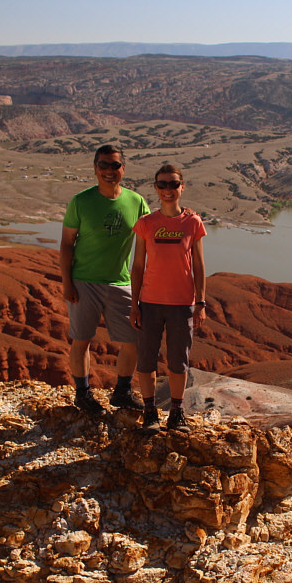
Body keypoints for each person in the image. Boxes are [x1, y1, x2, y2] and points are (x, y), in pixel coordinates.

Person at [60, 145, 150, 415]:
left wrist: (183, 214)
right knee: (82, 340)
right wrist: (67, 282)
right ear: (95, 168)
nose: (109, 171)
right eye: (104, 165)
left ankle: (122, 392)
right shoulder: (81, 201)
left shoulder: (136, 201)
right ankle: (83, 394)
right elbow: (66, 244)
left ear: (123, 168)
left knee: (133, 340)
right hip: (84, 280)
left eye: (115, 165)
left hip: (120, 282)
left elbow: (153, 233)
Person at [130, 164, 207, 433]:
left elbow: (198, 265)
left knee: (178, 362)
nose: (167, 190)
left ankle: (176, 413)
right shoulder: (146, 224)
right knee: (146, 361)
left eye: (173, 184)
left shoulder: (193, 223)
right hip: (149, 302)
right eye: (162, 185)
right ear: (156, 188)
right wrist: (134, 304)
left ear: (181, 187)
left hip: (182, 304)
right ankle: (150, 412)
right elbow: (137, 266)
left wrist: (201, 303)